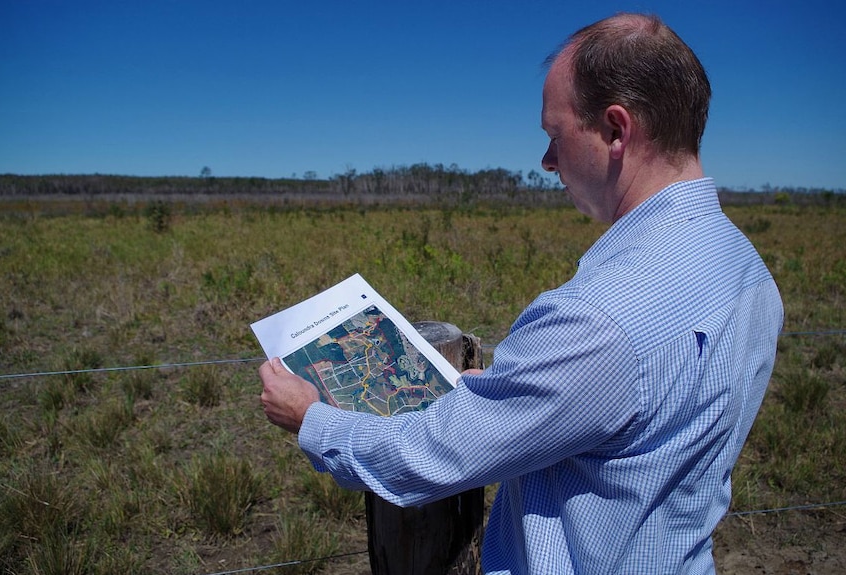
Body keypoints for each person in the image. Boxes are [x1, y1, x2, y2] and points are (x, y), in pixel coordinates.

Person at [260, 12, 783, 574]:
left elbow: (433, 457)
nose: (548, 161)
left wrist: (313, 420)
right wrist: (524, 391)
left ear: (615, 131)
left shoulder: (595, 319)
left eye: (555, 135)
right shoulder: (749, 272)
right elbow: (638, 412)